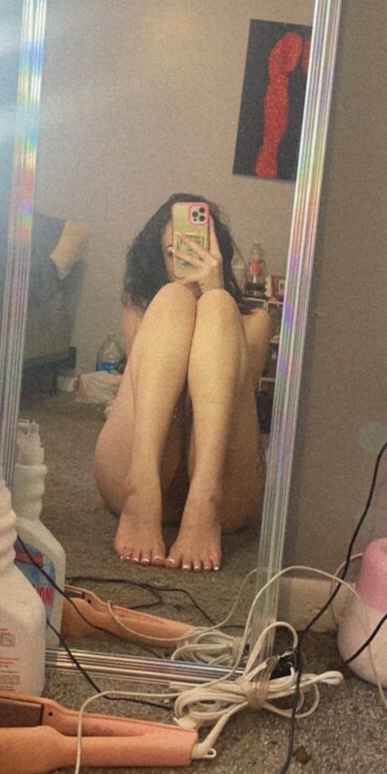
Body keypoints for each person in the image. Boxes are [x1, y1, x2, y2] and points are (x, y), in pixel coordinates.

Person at [93, 193, 272, 572]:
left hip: (224, 487)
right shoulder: (139, 309)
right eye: (174, 251)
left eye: (198, 246)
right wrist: (177, 303)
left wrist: (215, 291)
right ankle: (141, 489)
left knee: (219, 307)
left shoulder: (255, 322)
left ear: (218, 253)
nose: (185, 259)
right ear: (157, 258)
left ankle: (205, 499)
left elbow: (242, 397)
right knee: (174, 299)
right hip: (141, 463)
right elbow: (140, 387)